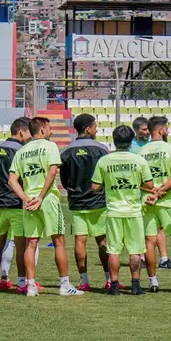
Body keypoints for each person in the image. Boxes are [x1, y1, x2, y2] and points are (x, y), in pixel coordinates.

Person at [7, 117, 84, 297]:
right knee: (58, 241)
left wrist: (26, 199)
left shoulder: (22, 151)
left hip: (29, 201)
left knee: (31, 242)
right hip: (47, 199)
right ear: (42, 130)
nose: (51, 131)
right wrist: (41, 197)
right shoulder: (50, 146)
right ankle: (64, 285)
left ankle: (30, 285)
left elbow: (11, 180)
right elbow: (52, 171)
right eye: (49, 128)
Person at [91, 125, 158, 295]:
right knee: (135, 250)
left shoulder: (104, 160)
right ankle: (135, 285)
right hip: (133, 211)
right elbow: (150, 184)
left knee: (113, 250)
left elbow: (95, 186)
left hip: (113, 211)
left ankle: (114, 286)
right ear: (130, 140)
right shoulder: (139, 160)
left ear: (114, 141)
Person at [138, 115, 171, 294]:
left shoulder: (141, 152)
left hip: (147, 200)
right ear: (160, 130)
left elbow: (138, 181)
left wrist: (152, 192)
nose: (168, 131)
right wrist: (161, 192)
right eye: (167, 128)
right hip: (167, 202)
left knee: (149, 241)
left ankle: (153, 282)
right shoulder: (170, 149)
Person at [60, 113, 111, 292]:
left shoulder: (66, 151)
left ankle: (84, 281)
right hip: (99, 202)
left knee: (79, 241)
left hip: (77, 202)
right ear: (88, 128)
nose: (96, 129)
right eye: (95, 126)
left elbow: (64, 180)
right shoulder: (102, 149)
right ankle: (109, 279)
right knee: (103, 241)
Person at [0, 117, 31, 293]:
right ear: (21, 131)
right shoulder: (21, 151)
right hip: (15, 203)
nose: (30, 136)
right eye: (28, 132)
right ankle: (21, 282)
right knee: (20, 245)